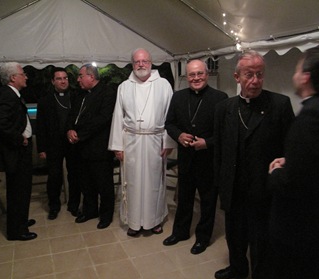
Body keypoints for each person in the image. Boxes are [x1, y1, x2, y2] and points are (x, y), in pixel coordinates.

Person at [213, 51, 295, 279]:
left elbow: (291, 148)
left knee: (262, 239)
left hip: (264, 189)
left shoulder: (279, 105)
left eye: (259, 74)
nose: (255, 80)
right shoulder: (224, 109)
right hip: (234, 187)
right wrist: (220, 184)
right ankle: (237, 268)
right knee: (234, 234)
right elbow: (219, 150)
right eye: (249, 75)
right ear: (237, 77)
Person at [268, 45, 319, 279]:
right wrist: (291, 160)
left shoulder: (313, 116)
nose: (294, 75)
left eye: (297, 69)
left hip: (301, 227)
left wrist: (276, 171)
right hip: (318, 221)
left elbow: (292, 183)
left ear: (306, 77)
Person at [108, 48, 176, 236]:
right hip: (131, 142)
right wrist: (117, 146)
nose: (141, 64)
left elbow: (170, 116)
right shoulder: (124, 86)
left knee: (154, 183)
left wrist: (168, 142)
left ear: (151, 63)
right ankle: (134, 222)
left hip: (155, 141)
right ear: (132, 64)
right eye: (137, 61)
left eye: (144, 61)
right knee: (133, 184)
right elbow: (118, 117)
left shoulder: (163, 85)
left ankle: (154, 221)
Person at [163, 59, 228, 255]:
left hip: (208, 159)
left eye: (200, 74)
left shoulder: (220, 98)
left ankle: (203, 237)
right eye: (192, 75)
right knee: (184, 197)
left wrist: (207, 143)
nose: (196, 78)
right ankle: (181, 232)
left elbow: (225, 132)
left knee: (208, 201)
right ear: (187, 77)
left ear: (207, 75)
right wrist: (179, 135)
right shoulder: (178, 97)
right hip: (186, 157)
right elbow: (169, 123)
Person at [0, 62, 37, 241]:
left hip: (19, 151)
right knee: (18, 191)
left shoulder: (11, 94)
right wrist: (19, 138)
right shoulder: (6, 95)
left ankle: (20, 221)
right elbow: (0, 122)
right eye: (22, 74)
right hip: (15, 152)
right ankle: (16, 230)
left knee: (22, 189)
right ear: (13, 77)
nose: (26, 76)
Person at [66, 64, 116, 229]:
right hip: (81, 148)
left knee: (104, 184)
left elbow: (102, 119)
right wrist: (70, 130)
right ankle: (90, 210)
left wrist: (80, 134)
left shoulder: (107, 93)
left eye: (81, 76)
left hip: (99, 148)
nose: (78, 80)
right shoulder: (80, 94)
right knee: (86, 183)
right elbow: (72, 115)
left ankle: (106, 215)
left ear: (91, 77)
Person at [36, 67, 81, 220]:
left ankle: (74, 205)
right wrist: (41, 148)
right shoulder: (45, 100)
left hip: (73, 142)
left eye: (65, 78)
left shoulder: (76, 96)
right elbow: (40, 125)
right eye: (59, 79)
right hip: (53, 144)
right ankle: (53, 206)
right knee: (54, 176)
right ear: (53, 81)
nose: (63, 81)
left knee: (75, 175)